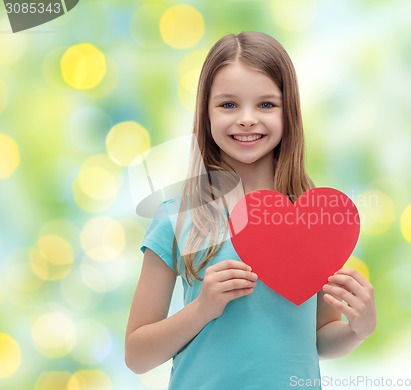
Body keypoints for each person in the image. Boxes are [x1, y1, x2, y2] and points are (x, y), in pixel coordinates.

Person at [125, 31, 376, 389]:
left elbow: (318, 339)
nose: (246, 119)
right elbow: (137, 356)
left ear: (288, 112)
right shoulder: (177, 217)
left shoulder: (315, 221)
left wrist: (358, 330)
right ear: (205, 112)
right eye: (228, 105)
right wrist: (202, 308)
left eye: (266, 105)